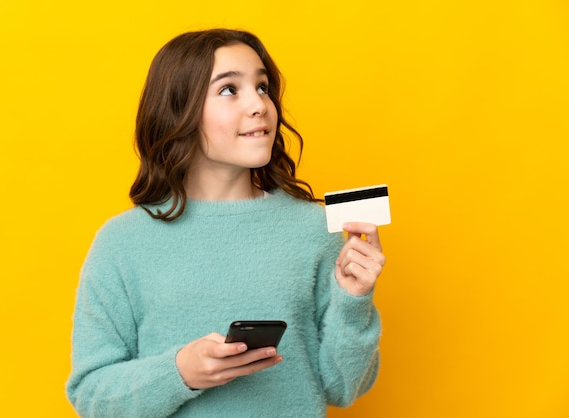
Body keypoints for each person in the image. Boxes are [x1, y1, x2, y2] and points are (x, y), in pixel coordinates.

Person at [66, 28, 385, 417]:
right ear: (180, 110)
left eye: (263, 87)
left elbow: (344, 387)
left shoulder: (315, 230)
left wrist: (354, 300)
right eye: (230, 89)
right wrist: (180, 372)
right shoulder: (122, 242)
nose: (259, 105)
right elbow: (91, 397)